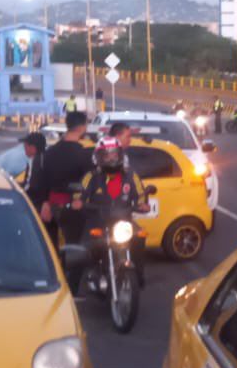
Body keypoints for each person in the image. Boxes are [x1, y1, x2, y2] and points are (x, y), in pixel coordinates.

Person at [79, 128, 151, 284]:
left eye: (114, 154)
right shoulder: (91, 176)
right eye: (107, 154)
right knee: (88, 246)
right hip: (98, 221)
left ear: (120, 155)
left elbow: (140, 195)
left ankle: (137, 276)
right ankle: (91, 274)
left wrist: (142, 204)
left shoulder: (131, 175)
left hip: (123, 221)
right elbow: (79, 194)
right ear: (99, 157)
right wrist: (78, 202)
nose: (111, 158)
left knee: (139, 237)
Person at [42, 111, 94, 246]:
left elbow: (43, 180)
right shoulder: (84, 154)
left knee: (53, 248)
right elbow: (90, 183)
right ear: (83, 127)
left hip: (52, 206)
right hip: (74, 208)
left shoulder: (50, 152)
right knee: (73, 248)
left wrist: (45, 203)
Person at [20, 132, 49, 216]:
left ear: (33, 148)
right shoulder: (45, 157)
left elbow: (30, 186)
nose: (24, 150)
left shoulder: (35, 161)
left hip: (35, 206)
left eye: (25, 147)